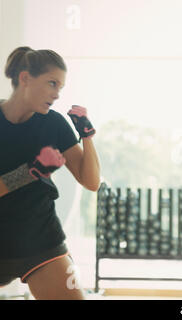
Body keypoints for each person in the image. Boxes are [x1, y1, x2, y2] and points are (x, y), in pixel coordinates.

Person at [0, 46, 100, 300]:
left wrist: (86, 136)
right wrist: (32, 171)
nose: (56, 95)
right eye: (51, 84)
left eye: (60, 88)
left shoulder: (54, 123)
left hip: (40, 238)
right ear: (25, 78)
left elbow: (91, 182)